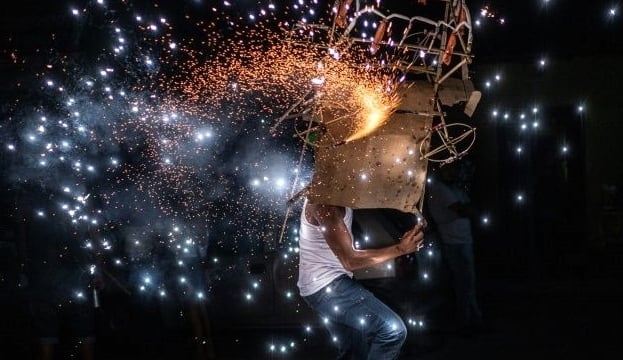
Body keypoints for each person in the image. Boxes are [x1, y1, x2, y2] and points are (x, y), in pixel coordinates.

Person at [297, 199, 425, 359]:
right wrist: (401, 248)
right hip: (327, 287)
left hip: (325, 286)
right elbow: (350, 260)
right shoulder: (325, 204)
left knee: (353, 352)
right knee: (392, 331)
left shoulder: (338, 193)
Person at [426, 163, 483, 335]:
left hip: (461, 240)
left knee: (467, 284)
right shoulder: (439, 189)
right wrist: (470, 210)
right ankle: (465, 324)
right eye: (449, 168)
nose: (453, 172)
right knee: (464, 284)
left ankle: (474, 320)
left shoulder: (449, 188)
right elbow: (462, 209)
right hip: (455, 243)